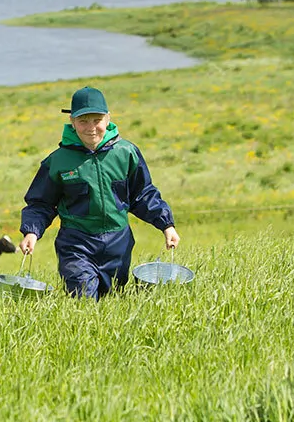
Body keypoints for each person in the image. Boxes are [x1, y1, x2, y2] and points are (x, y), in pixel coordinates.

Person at [20, 86, 180, 299]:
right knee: (82, 296)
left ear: (107, 118)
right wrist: (32, 231)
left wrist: (166, 225)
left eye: (96, 120)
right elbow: (41, 203)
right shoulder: (57, 161)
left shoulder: (126, 153)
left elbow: (143, 194)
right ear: (73, 122)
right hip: (76, 243)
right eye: (83, 121)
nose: (91, 128)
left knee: (111, 300)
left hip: (118, 242)